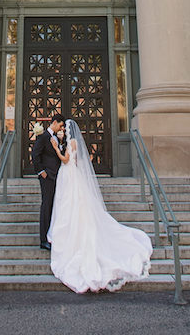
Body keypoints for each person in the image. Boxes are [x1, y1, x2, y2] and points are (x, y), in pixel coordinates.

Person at [48, 119, 152, 293]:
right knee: (72, 205)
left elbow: (66, 160)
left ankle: (71, 237)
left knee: (71, 204)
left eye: (64, 128)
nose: (63, 131)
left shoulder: (71, 143)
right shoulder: (73, 142)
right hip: (71, 176)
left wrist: (56, 149)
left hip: (69, 174)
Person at [30, 113, 66, 250]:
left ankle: (51, 235)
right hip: (48, 177)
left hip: (56, 176)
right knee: (46, 206)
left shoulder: (56, 138)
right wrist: (41, 172)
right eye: (60, 125)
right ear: (55, 122)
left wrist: (61, 143)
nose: (61, 129)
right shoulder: (43, 137)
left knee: (52, 206)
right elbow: (35, 155)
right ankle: (43, 239)